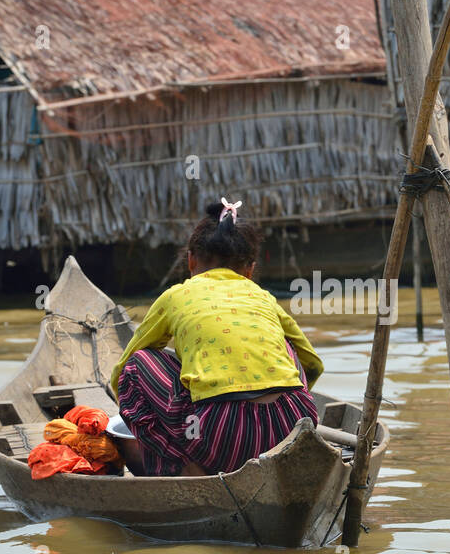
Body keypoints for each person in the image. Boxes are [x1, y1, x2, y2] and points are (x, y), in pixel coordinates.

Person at [111, 198, 323, 477]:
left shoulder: (176, 296)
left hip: (220, 437)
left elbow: (121, 376)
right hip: (293, 427)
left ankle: (186, 468)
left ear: (190, 260)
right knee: (286, 345)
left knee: (135, 367)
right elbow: (313, 364)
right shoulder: (264, 298)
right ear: (250, 270)